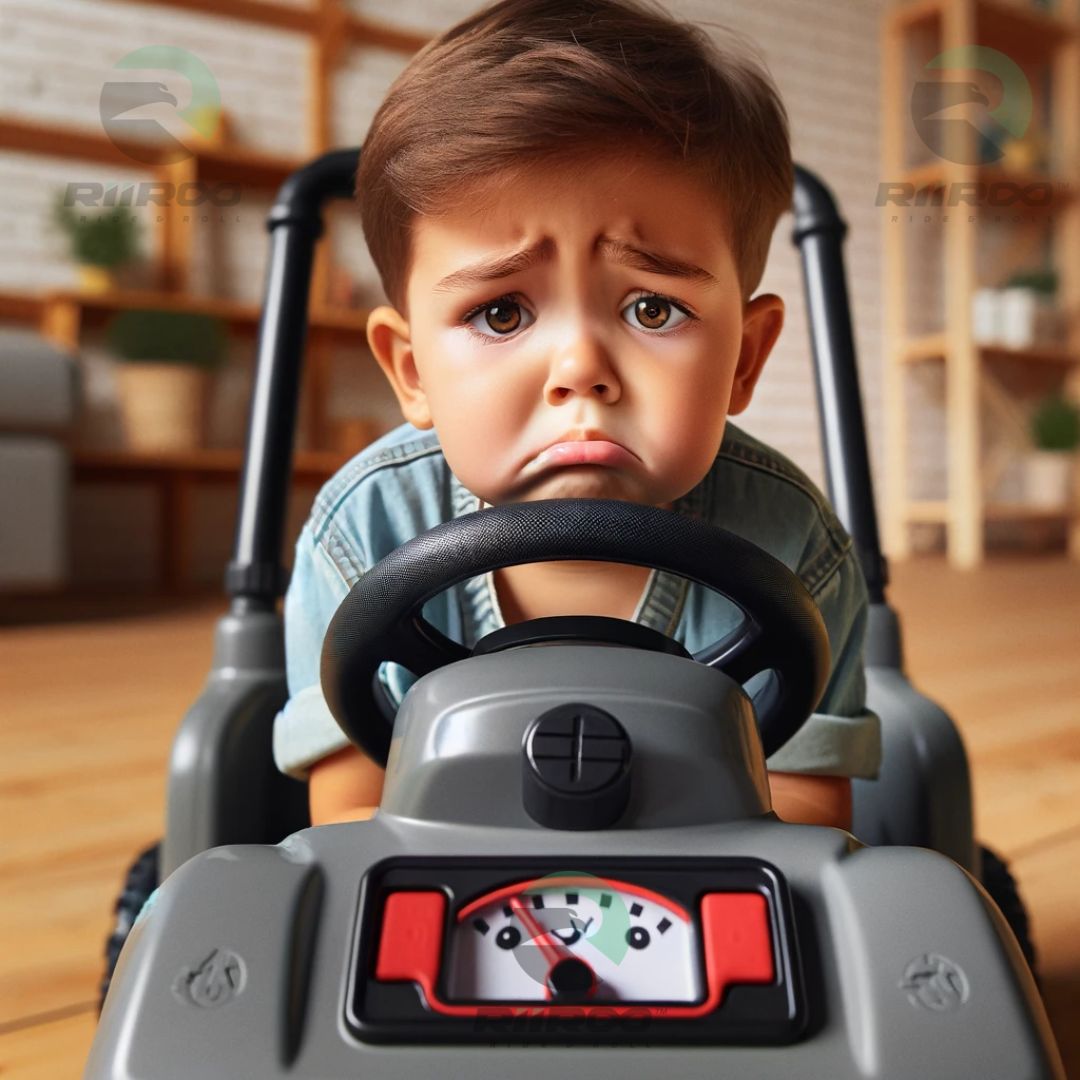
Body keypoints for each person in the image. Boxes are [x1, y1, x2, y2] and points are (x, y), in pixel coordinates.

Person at [274, 0, 880, 828]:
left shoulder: (793, 546)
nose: (581, 370)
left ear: (744, 358)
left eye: (653, 310)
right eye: (502, 314)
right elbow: (353, 825)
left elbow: (804, 819)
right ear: (411, 371)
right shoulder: (365, 529)